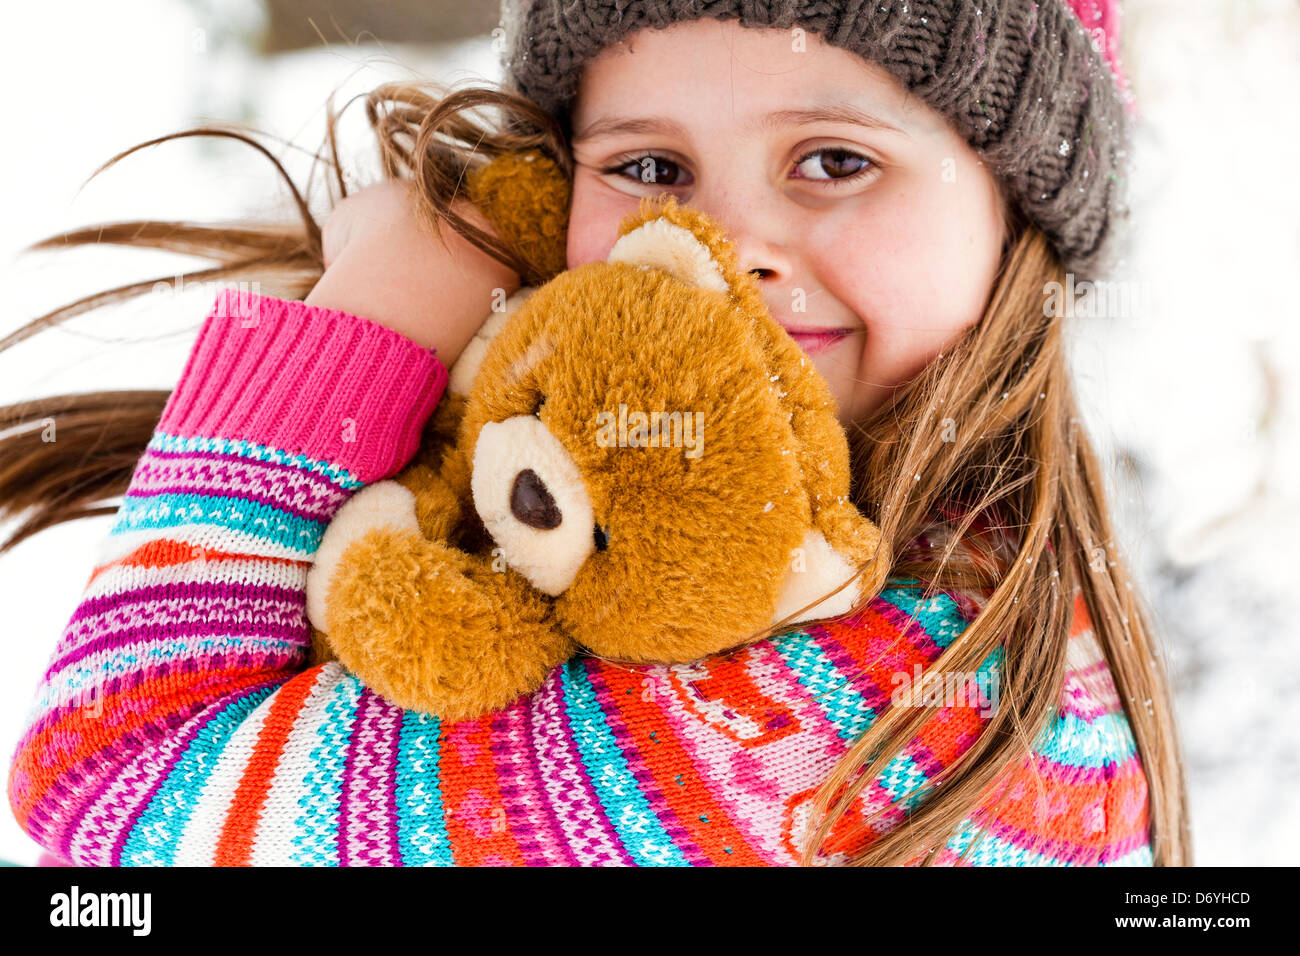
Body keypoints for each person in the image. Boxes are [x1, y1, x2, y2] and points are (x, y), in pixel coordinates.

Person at [0, 0, 1189, 865]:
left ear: (1018, 213)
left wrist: (381, 314)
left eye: (835, 160)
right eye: (650, 164)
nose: (724, 244)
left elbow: (116, 795)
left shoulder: (857, 722)